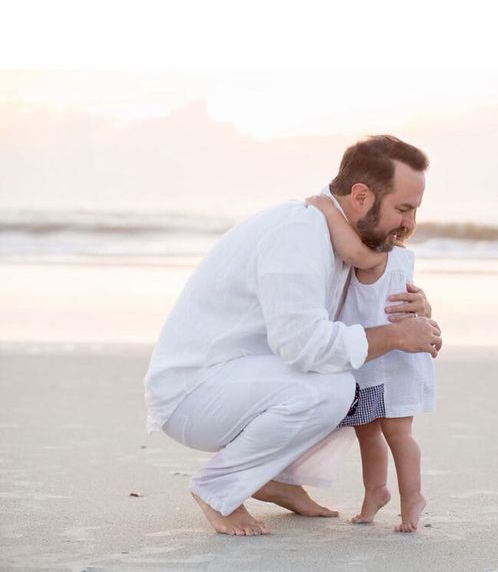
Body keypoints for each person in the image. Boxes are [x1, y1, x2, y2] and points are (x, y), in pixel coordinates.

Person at [144, 135, 442, 536]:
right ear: (360, 196)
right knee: (334, 386)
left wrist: (416, 309)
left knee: (346, 371)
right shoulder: (297, 236)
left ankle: (273, 479)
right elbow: (305, 348)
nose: (409, 224)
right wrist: (394, 337)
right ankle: (218, 490)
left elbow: (360, 308)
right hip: (194, 394)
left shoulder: (339, 235)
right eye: (402, 209)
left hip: (245, 379)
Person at [306, 193, 433, 532]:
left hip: (395, 362)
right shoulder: (382, 258)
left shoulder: (377, 255)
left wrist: (328, 209)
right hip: (368, 359)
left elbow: (351, 250)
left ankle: (412, 499)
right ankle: (375, 491)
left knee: (397, 433)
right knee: (367, 431)